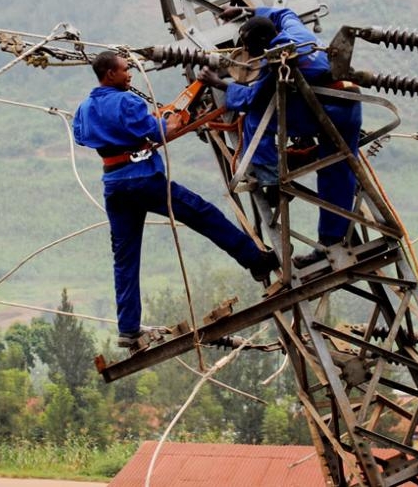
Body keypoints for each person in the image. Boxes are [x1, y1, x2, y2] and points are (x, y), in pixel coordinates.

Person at [73, 51, 279, 347]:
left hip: (114, 184)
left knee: (125, 258)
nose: (130, 74)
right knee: (202, 213)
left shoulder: (84, 109)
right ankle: (254, 260)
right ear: (110, 74)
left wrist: (132, 132)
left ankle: (128, 329)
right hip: (143, 179)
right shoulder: (127, 101)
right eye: (125, 70)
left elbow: (85, 136)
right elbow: (160, 131)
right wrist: (172, 121)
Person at [198, 6, 362, 268]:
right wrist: (247, 10)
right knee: (337, 174)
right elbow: (284, 12)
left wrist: (218, 83)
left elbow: (252, 99)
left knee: (257, 118)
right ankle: (331, 241)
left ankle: (270, 175)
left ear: (263, 43)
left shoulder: (277, 58)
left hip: (325, 114)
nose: (251, 56)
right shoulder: (295, 31)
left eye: (252, 49)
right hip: (350, 107)